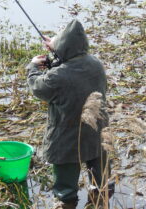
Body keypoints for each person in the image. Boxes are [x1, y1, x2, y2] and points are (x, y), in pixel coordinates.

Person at [26, 19, 111, 209]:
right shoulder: (95, 64)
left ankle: (67, 203)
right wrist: (58, 50)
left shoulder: (58, 76)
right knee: (102, 183)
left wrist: (33, 67)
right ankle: (101, 202)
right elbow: (72, 65)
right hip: (97, 132)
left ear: (63, 48)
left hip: (68, 138)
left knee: (66, 192)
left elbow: (38, 88)